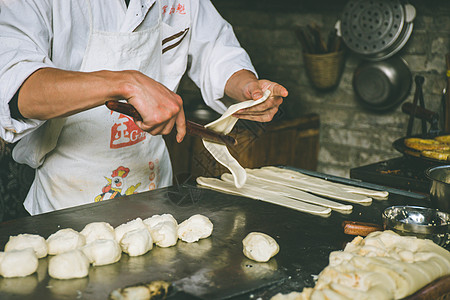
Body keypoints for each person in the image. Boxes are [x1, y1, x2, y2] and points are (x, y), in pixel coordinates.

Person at [0, 0, 288, 215]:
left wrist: (247, 86)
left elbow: (214, 48)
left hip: (154, 193)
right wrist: (127, 83)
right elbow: (17, 88)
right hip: (65, 202)